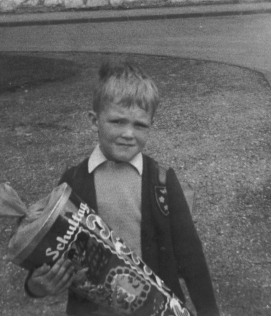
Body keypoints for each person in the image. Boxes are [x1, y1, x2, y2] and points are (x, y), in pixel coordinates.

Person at [24, 62, 220, 316]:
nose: (128, 133)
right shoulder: (73, 180)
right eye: (117, 121)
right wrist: (37, 285)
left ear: (152, 124)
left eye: (140, 125)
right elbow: (48, 250)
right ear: (94, 121)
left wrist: (209, 311)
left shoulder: (162, 180)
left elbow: (190, 254)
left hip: (158, 309)